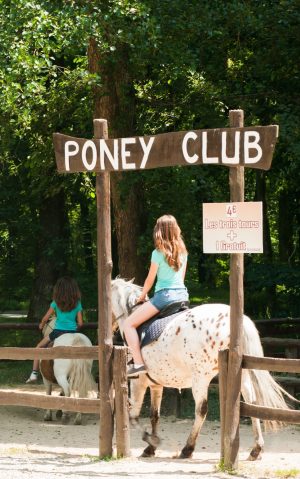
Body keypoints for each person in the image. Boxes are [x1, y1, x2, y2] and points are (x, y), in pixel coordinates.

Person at [125, 214, 189, 377]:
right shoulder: (183, 252)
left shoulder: (157, 253)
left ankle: (138, 363)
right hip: (183, 296)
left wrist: (142, 296)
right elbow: (181, 279)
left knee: (128, 325)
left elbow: (149, 279)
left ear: (159, 231)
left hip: (164, 297)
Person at [26, 276, 83, 383]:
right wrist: (75, 327)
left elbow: (45, 318)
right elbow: (80, 323)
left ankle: (34, 373)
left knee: (38, 347)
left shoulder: (55, 303)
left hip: (57, 332)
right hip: (72, 333)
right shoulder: (77, 303)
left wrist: (41, 324)